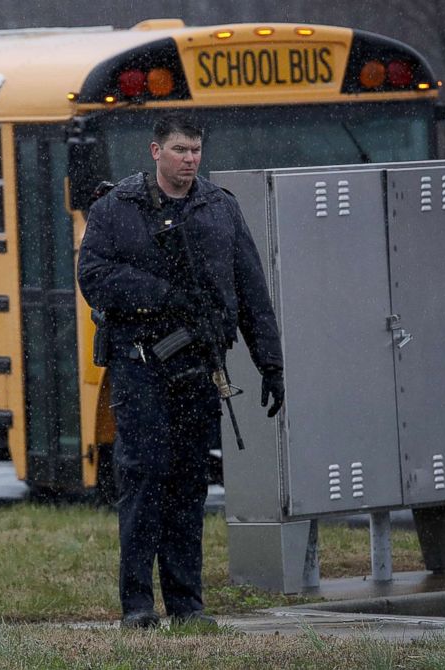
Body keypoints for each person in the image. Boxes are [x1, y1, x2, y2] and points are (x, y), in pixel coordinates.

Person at [77, 112, 284, 629]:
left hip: (198, 369)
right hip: (140, 366)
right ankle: (138, 606)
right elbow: (94, 277)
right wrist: (161, 298)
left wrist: (271, 364)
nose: (189, 159)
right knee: (144, 482)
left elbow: (252, 292)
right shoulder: (116, 207)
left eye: (195, 150)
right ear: (155, 151)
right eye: (179, 150)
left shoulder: (219, 209)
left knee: (189, 487)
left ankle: (188, 605)